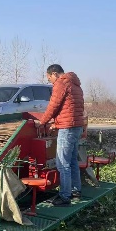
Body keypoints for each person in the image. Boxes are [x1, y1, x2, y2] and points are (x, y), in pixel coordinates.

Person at [37, 64, 85, 206]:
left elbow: (54, 105)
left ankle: (64, 196)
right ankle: (76, 191)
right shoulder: (75, 84)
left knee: (62, 163)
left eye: (49, 78)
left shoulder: (61, 83)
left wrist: (42, 122)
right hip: (77, 126)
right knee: (72, 161)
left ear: (54, 74)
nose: (50, 81)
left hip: (67, 128)